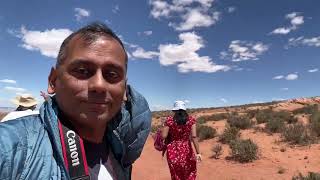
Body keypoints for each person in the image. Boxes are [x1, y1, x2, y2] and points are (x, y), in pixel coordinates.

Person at [0, 22, 151, 180]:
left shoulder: (122, 148)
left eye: (112, 74)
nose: (99, 85)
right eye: (82, 71)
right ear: (53, 81)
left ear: (124, 90)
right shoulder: (13, 149)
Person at [161, 100, 201, 180]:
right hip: (187, 150)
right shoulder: (191, 120)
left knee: (176, 174)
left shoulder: (169, 120)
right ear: (184, 109)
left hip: (173, 151)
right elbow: (194, 136)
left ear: (174, 110)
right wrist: (198, 153)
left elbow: (164, 136)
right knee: (189, 172)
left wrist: (163, 126)